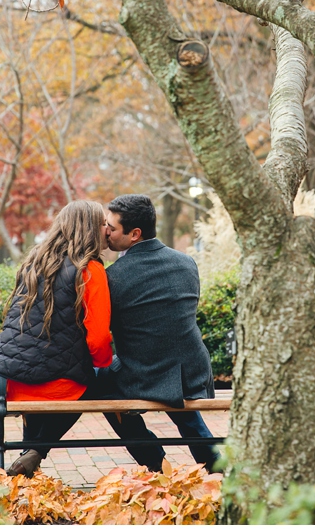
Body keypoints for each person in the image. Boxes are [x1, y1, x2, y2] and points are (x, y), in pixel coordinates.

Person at [0, 200, 113, 478]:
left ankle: (27, 464)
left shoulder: (34, 263)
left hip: (12, 382)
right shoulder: (90, 271)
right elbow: (99, 339)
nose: (109, 229)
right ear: (91, 229)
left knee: (64, 369)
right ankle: (36, 451)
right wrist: (103, 363)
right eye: (104, 223)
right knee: (104, 378)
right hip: (56, 386)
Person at [102, 194, 218, 472]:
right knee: (181, 405)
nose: (105, 232)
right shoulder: (187, 263)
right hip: (192, 372)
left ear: (134, 234)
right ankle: (217, 466)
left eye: (112, 227)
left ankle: (155, 461)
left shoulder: (113, 276)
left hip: (145, 374)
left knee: (102, 386)